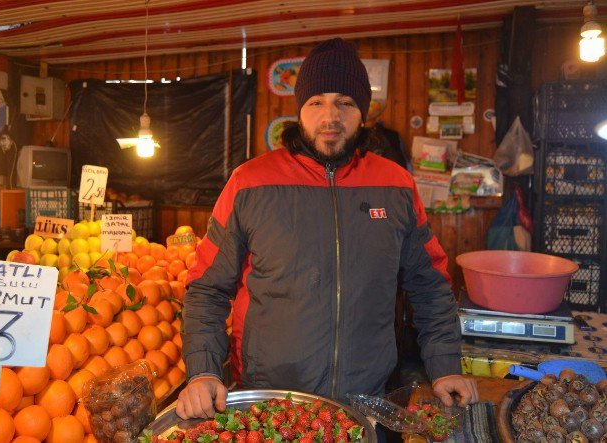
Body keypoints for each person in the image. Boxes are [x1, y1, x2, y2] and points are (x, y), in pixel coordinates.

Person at [176, 37, 478, 421]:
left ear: (363, 112)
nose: (330, 117)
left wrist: (445, 363)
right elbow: (206, 288)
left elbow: (430, 286)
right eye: (316, 102)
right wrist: (203, 370)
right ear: (299, 111)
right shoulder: (249, 183)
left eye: (345, 103)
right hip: (269, 403)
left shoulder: (396, 185)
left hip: (367, 403)